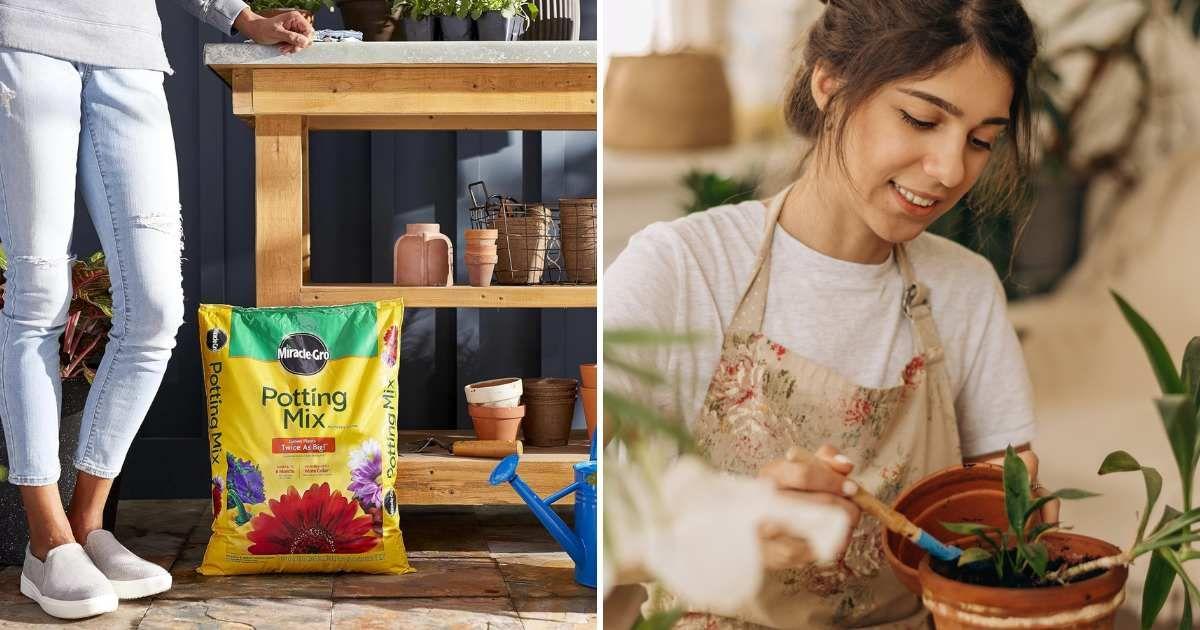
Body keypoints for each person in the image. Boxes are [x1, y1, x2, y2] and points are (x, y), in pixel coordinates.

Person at [604, 0, 1056, 627]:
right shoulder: (681, 271)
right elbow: (571, 506)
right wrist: (726, 518)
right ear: (830, 83)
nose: (952, 170)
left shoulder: (966, 291)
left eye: (981, 141)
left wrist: (1013, 522)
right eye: (922, 119)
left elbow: (1004, 505)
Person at [0, 0, 313, 620]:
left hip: (131, 52)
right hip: (25, 37)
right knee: (38, 295)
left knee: (155, 308)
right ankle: (45, 538)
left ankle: (87, 526)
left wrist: (242, 18)